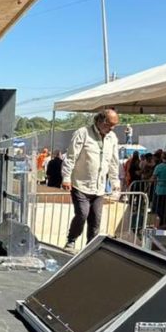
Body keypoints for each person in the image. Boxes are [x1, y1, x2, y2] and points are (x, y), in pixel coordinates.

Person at [61, 108, 120, 251]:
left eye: (114, 126)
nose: (111, 129)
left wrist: (115, 182)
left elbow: (113, 162)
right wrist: (66, 177)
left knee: (95, 221)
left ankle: (90, 248)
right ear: (100, 121)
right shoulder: (83, 133)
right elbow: (71, 157)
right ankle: (71, 240)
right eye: (109, 125)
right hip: (80, 184)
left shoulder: (112, 138)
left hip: (99, 187)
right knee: (82, 214)